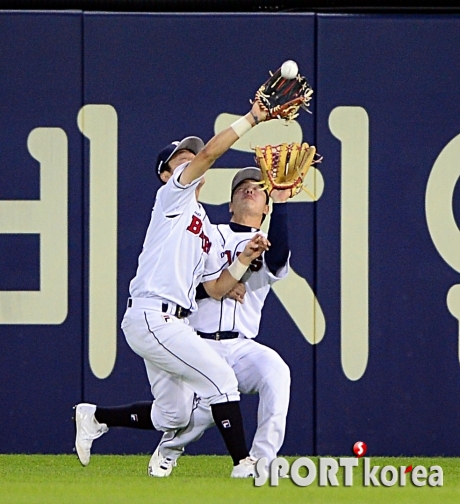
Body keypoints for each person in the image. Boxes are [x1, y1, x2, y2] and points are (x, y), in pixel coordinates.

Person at [75, 100, 271, 479]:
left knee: (174, 415)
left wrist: (245, 257)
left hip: (172, 321)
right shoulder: (172, 199)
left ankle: (94, 417)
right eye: (181, 160)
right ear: (167, 175)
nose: (191, 161)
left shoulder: (206, 230)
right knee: (222, 379)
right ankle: (243, 464)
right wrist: (253, 119)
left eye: (191, 157)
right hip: (152, 314)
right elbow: (212, 152)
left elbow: (217, 287)